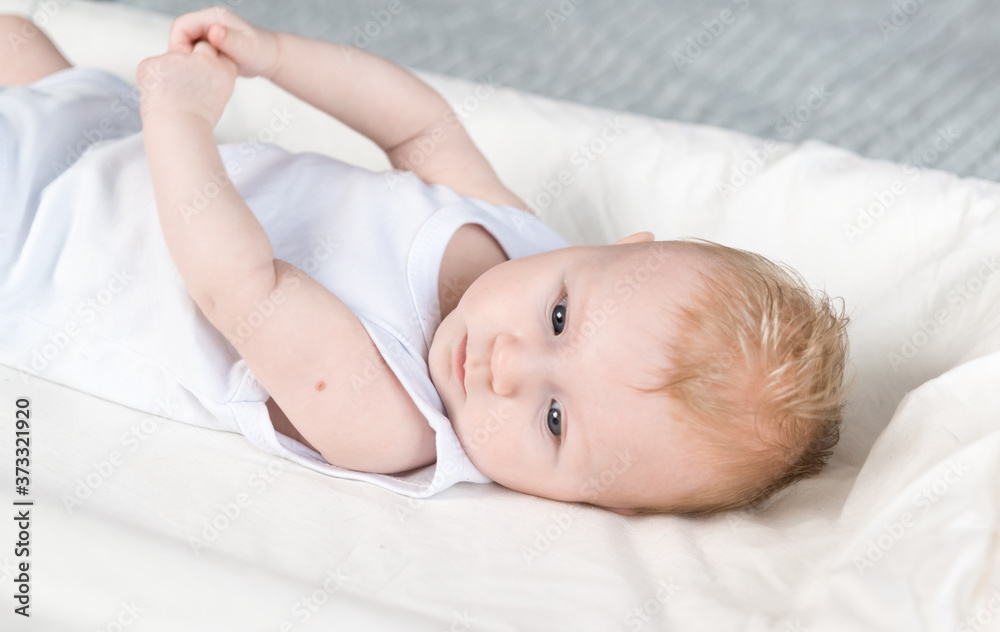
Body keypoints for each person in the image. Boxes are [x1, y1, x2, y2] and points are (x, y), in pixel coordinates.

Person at [0, 7, 850, 516]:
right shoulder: (523, 241)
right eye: (559, 317)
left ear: (592, 501)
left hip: (41, 243)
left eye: (554, 421)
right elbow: (421, 129)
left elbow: (239, 289)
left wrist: (181, 123)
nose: (510, 364)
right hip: (112, 142)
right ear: (618, 249)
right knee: (18, 36)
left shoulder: (391, 417)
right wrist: (273, 57)